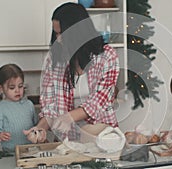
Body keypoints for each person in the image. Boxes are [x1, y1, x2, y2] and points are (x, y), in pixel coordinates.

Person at [24, 2, 119, 143]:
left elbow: (99, 100)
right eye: (55, 33)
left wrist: (68, 117)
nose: (58, 39)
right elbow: (50, 105)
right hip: (67, 139)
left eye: (62, 33)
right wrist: (40, 128)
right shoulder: (53, 59)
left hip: (101, 135)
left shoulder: (107, 57)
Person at [0, 64, 38, 152]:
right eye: (12, 88)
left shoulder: (29, 104)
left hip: (31, 149)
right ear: (1, 88)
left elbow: (36, 125)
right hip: (10, 152)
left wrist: (39, 134)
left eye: (20, 86)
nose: (17, 90)